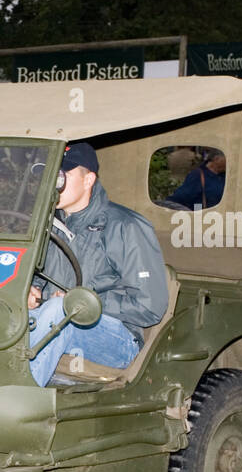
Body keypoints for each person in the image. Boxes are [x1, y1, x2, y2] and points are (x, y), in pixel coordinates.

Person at [26, 141, 169, 387]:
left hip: (119, 339)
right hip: (57, 318)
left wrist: (81, 301)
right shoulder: (48, 225)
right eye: (50, 176)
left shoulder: (125, 226)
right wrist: (32, 293)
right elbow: (41, 280)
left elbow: (151, 306)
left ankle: (19, 399)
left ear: (88, 180)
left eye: (61, 175)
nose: (53, 183)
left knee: (58, 309)